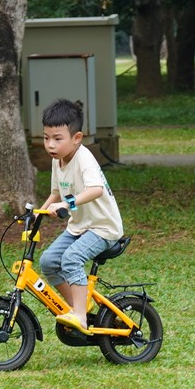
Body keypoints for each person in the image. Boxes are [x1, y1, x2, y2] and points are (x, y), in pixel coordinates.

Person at [37, 98, 124, 334]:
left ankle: (80, 317)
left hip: (103, 228)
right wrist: (39, 213)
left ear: (76, 138)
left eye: (57, 139)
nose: (50, 145)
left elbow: (95, 189)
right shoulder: (58, 161)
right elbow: (55, 193)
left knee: (71, 259)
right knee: (48, 262)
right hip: (79, 227)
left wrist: (68, 203)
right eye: (46, 138)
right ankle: (76, 307)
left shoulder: (84, 158)